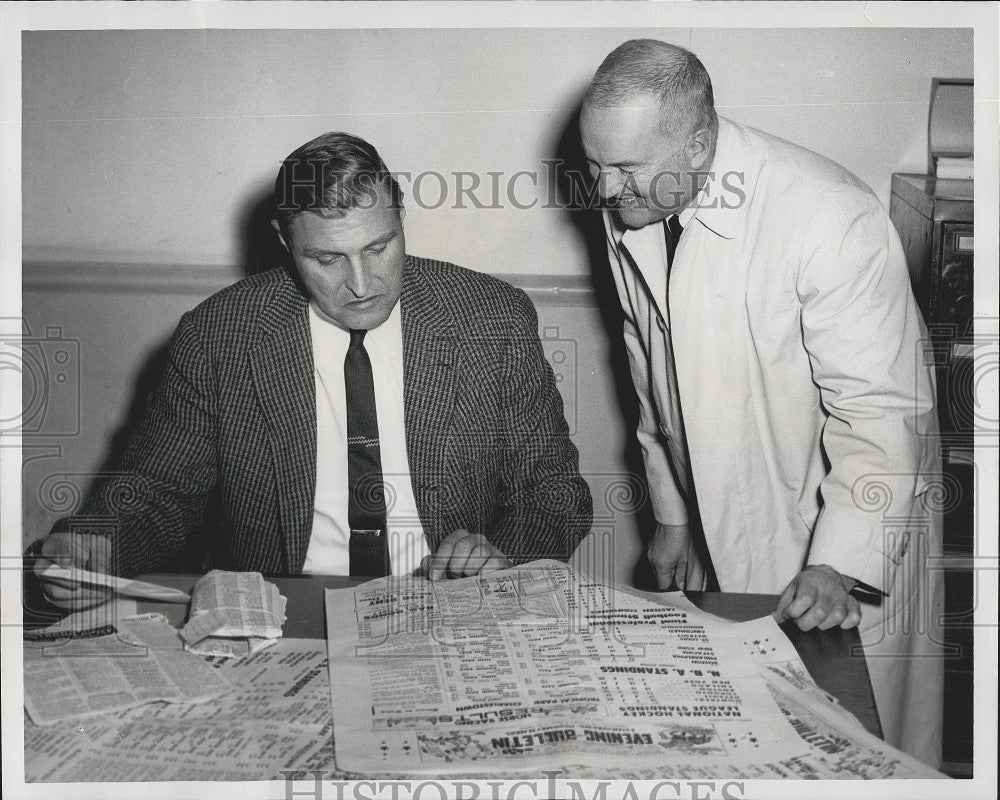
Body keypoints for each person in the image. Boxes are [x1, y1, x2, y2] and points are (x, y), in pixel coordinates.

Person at [31, 131, 592, 604]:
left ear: (400, 218)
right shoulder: (219, 336)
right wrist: (95, 541)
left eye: (379, 247)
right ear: (284, 242)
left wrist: (503, 558)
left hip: (444, 607)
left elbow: (555, 490)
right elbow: (158, 489)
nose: (362, 283)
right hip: (282, 610)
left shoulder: (491, 319)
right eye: (327, 259)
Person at [578, 39, 943, 766]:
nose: (606, 190)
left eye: (624, 168)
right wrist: (674, 512)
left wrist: (840, 563)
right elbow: (650, 363)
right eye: (594, 166)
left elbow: (881, 410)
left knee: (849, 745)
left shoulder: (830, 216)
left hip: (839, 526)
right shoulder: (637, 202)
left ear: (701, 142)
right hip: (720, 516)